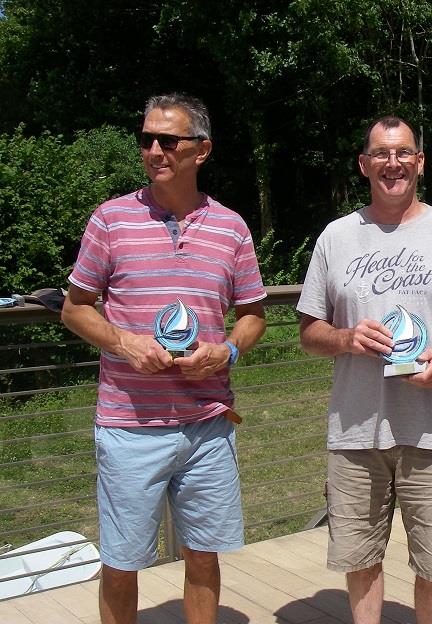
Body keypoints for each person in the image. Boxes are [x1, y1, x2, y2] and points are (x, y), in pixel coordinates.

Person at [61, 93, 267, 624]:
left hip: (207, 425)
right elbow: (75, 309)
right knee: (122, 561)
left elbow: (253, 315)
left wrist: (228, 350)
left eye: (168, 140)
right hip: (131, 425)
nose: (154, 149)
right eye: (146, 138)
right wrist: (124, 343)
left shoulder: (232, 227)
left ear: (202, 150)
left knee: (203, 556)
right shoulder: (110, 220)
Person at [297, 115, 432, 624]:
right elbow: (308, 333)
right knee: (360, 559)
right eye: (382, 154)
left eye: (404, 153)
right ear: (364, 165)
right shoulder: (336, 237)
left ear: (420, 162)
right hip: (356, 430)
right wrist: (347, 338)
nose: (393, 163)